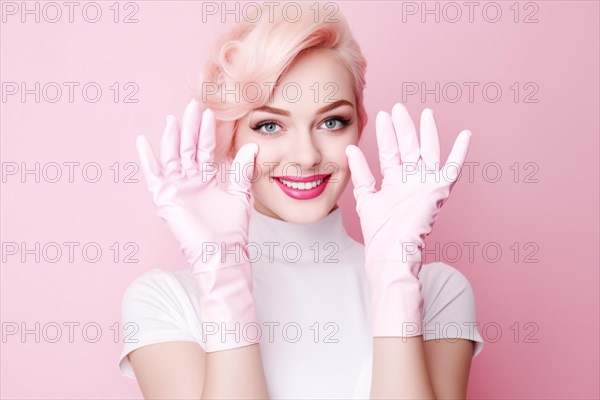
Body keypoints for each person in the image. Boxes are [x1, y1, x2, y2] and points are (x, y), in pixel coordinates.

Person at [118, 3, 484, 399]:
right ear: (231, 136)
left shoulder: (437, 291)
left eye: (331, 121)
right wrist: (222, 273)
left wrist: (396, 275)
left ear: (359, 124)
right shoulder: (164, 301)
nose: (306, 156)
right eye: (270, 125)